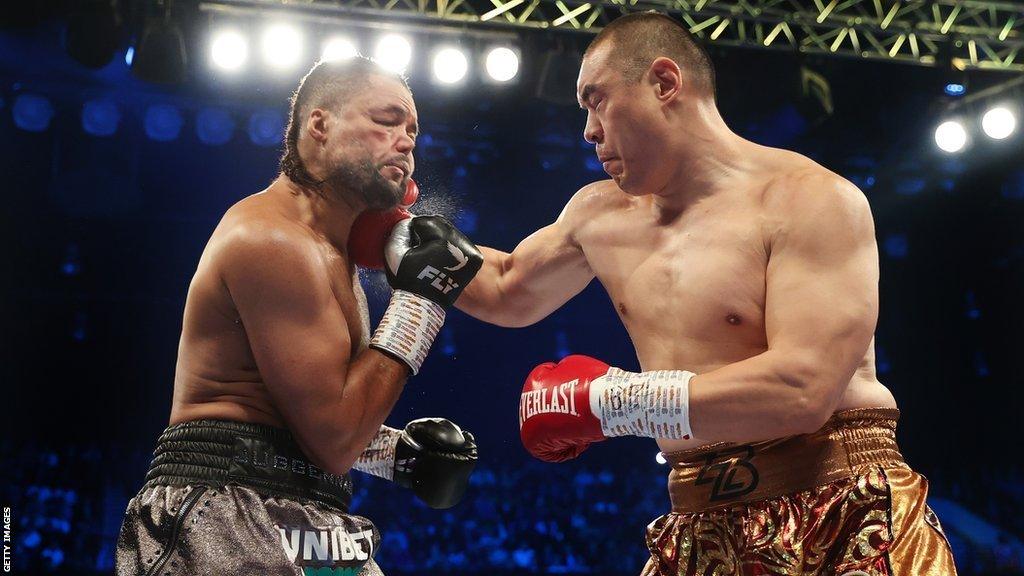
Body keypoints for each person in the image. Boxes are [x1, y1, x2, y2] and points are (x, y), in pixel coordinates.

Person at [455, 12, 957, 575]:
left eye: (596, 101)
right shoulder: (597, 215)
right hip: (698, 519)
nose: (588, 130)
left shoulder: (808, 200)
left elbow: (802, 389)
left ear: (664, 83)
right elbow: (504, 287)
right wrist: (392, 236)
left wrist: (612, 404)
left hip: (841, 507)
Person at [115, 57, 483, 576]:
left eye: (412, 129)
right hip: (224, 511)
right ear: (320, 125)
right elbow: (332, 437)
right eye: (386, 120)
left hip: (312, 509)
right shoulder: (271, 239)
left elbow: (303, 413)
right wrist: (420, 303)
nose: (405, 141)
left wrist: (395, 455)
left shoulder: (333, 251)